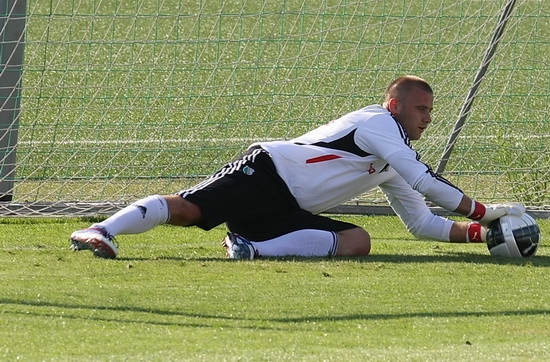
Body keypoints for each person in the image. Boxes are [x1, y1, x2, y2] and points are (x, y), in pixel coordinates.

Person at [70, 75, 524, 259]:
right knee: (189, 209)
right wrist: (483, 210)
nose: (427, 118)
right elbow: (426, 179)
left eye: (430, 111)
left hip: (289, 210)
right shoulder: (376, 123)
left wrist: (485, 233)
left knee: (357, 241)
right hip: (269, 172)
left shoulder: (392, 158)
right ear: (394, 105)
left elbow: (422, 222)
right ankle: (101, 231)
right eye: (421, 109)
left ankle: (250, 248)